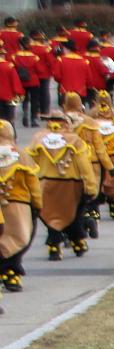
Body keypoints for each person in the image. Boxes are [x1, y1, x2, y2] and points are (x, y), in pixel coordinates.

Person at [25, 110, 94, 259]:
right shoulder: (74, 140)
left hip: (46, 182)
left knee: (51, 215)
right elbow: (84, 165)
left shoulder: (39, 139)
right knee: (73, 214)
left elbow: (29, 162)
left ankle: (54, 245)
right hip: (71, 183)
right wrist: (90, 186)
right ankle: (77, 240)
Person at [0, 122, 41, 292]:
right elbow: (33, 184)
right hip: (18, 203)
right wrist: (37, 204)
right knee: (20, 239)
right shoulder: (21, 155)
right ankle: (11, 271)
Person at [14, 34, 47, 128]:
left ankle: (25, 112)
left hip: (22, 81)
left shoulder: (15, 56)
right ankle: (33, 119)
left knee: (25, 99)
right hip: (33, 81)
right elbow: (40, 70)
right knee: (34, 100)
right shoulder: (34, 57)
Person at [0, 50, 20, 126]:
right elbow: (15, 81)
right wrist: (19, 93)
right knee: (9, 118)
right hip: (9, 95)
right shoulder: (9, 66)